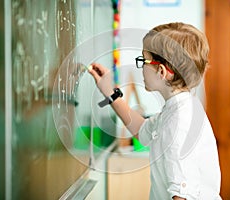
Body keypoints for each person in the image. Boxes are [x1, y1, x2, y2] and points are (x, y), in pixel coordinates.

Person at [88, 22, 222, 200]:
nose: (141, 66)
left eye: (143, 60)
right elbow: (142, 130)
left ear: (161, 71)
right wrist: (110, 92)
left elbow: (181, 196)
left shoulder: (179, 123)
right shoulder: (177, 109)